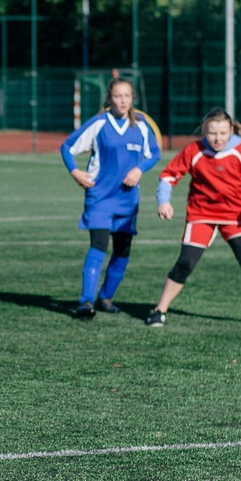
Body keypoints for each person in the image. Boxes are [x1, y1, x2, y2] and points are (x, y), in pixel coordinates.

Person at [145, 107, 241, 329]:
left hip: (234, 215)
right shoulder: (194, 150)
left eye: (223, 133)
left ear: (231, 130)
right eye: (212, 133)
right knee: (186, 262)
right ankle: (159, 310)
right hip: (201, 214)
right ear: (204, 131)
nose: (218, 138)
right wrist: (163, 201)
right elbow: (169, 176)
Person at [61, 78, 161, 317]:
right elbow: (67, 147)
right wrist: (76, 173)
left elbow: (154, 154)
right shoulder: (99, 123)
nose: (122, 101)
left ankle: (105, 298)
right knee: (98, 245)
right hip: (100, 197)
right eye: (117, 96)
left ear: (133, 98)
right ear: (109, 98)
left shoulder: (142, 124)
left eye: (127, 96)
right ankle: (86, 302)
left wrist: (139, 170)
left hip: (127, 199)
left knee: (123, 249)